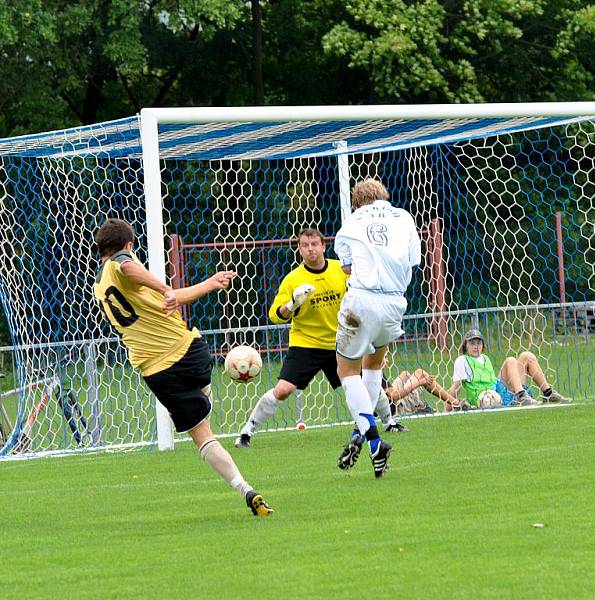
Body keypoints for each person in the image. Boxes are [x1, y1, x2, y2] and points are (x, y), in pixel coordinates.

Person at [93, 218, 271, 517]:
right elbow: (128, 267)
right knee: (203, 402)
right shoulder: (120, 263)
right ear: (128, 244)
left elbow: (171, 300)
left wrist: (209, 284)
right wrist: (165, 287)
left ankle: (244, 488)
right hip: (189, 353)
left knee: (203, 436)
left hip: (158, 373)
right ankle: (205, 398)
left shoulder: (101, 287)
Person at [334, 178, 421, 477]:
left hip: (361, 301)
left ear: (357, 203)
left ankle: (372, 439)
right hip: (395, 304)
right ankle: (361, 431)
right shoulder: (405, 218)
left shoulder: (352, 221)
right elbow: (413, 261)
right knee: (373, 367)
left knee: (347, 372)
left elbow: (346, 266)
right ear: (385, 196)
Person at [234, 228, 348, 448]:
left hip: (340, 342)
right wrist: (292, 304)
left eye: (315, 244)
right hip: (306, 344)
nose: (311, 249)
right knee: (283, 390)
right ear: (299, 249)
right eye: (305, 245)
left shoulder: (340, 270)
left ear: (324, 246)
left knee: (364, 384)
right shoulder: (293, 279)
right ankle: (247, 431)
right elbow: (274, 316)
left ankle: (389, 421)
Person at [448, 329, 568, 409]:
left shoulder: (485, 358)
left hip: (500, 390)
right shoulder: (462, 360)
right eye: (472, 343)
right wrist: (448, 409)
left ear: (483, 345)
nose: (476, 346)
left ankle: (548, 393)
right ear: (465, 345)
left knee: (527, 356)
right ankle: (521, 396)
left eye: (478, 343)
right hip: (487, 397)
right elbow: (455, 387)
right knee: (510, 360)